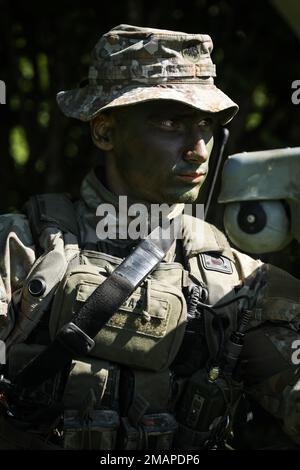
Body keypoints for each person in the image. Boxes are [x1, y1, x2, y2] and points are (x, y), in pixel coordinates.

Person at [0, 24, 300, 450]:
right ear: (104, 131)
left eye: (206, 124)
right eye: (169, 122)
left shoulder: (236, 282)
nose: (198, 148)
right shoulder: (20, 248)